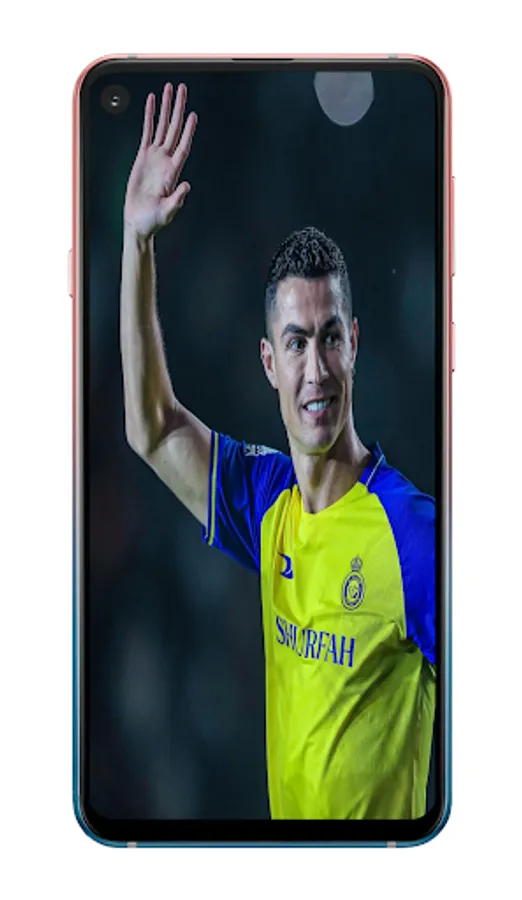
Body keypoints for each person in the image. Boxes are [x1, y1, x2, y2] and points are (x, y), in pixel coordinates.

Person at [120, 82, 436, 820]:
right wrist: (136, 242)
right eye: (296, 343)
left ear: (354, 345)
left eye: (330, 338)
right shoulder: (268, 501)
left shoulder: (413, 535)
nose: (315, 370)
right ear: (269, 361)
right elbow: (152, 429)